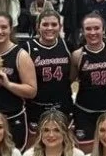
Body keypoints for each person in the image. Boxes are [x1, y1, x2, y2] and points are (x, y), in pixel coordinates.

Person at [0, 11, 38, 149]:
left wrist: (8, 84)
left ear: (11, 29)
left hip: (12, 118)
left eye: (4, 27)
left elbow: (32, 91)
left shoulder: (21, 55)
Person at [71, 13, 106, 152]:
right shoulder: (77, 55)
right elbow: (70, 81)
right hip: (85, 112)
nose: (93, 32)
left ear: (103, 30)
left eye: (97, 28)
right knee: (86, 153)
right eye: (88, 29)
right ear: (83, 31)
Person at [24, 10, 72, 147]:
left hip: (62, 106)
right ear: (37, 26)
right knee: (35, 149)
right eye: (45, 24)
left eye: (54, 24)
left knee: (62, 147)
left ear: (60, 27)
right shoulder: (27, 47)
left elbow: (73, 76)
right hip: (36, 109)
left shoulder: (67, 45)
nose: (49, 28)